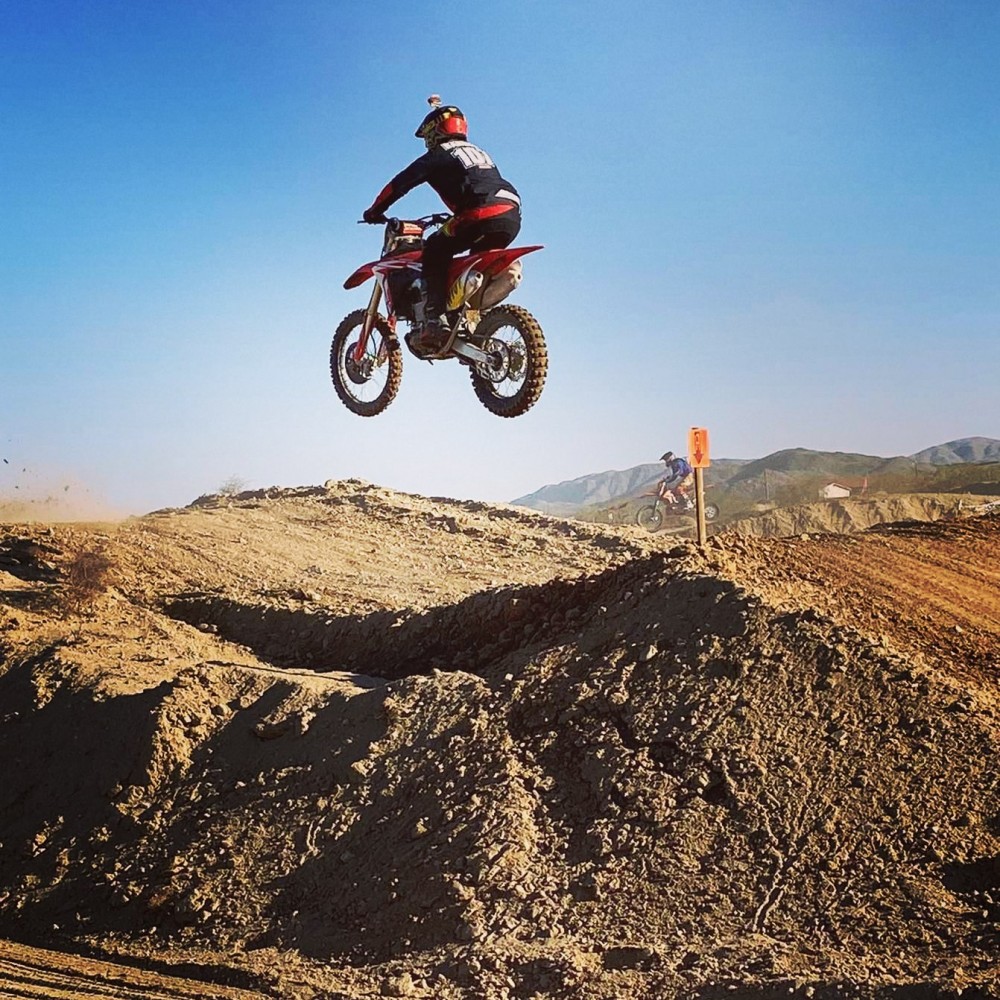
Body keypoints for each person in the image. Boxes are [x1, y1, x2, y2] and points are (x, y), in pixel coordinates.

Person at [362, 97, 522, 355]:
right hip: (510, 214)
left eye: (428, 135)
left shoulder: (438, 155)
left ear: (436, 130)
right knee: (475, 262)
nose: (427, 141)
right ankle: (474, 326)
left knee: (435, 249)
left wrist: (374, 211)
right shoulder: (479, 152)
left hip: (478, 213)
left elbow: (399, 184)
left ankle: (435, 321)